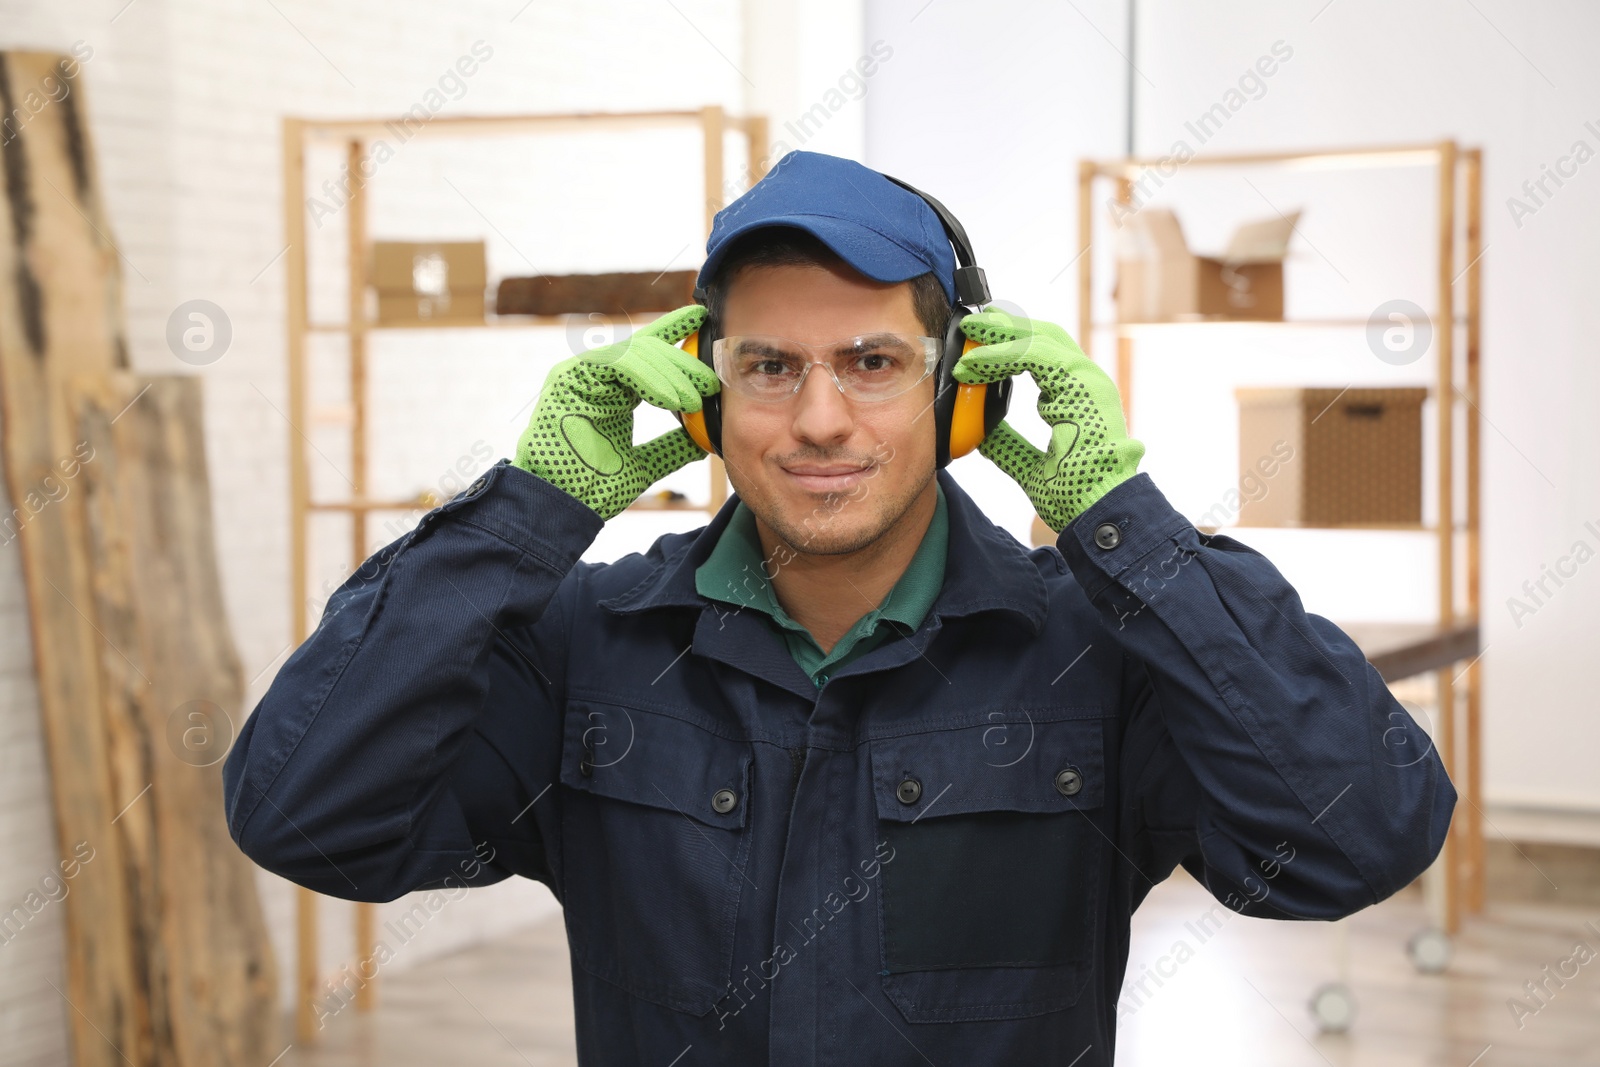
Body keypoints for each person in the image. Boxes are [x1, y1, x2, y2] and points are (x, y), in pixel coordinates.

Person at [223, 150, 1455, 1065]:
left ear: (964, 395)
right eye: (768, 366)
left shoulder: (1092, 650)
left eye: (872, 361)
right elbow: (308, 816)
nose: (818, 419)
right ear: (706, 397)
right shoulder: (588, 645)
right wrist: (524, 512)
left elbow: (1358, 838)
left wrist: (1126, 525)